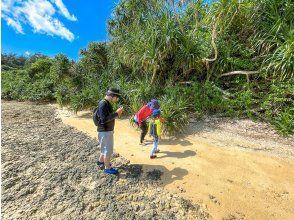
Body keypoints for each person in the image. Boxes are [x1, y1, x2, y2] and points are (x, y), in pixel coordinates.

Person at [96, 88, 123, 175]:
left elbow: (107, 117)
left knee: (104, 148)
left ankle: (101, 162)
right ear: (112, 96)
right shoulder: (103, 104)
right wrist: (116, 113)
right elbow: (104, 119)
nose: (117, 99)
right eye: (116, 97)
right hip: (104, 131)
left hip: (106, 131)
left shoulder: (106, 103)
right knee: (108, 150)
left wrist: (117, 114)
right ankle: (107, 168)